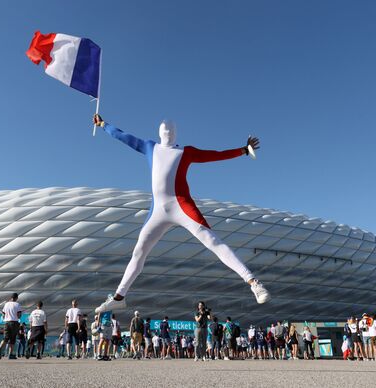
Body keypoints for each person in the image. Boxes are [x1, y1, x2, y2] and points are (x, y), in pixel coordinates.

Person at [93, 114, 270, 313]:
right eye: (165, 130)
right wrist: (103, 124)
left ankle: (253, 282)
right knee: (139, 252)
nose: (167, 132)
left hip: (181, 206)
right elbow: (123, 136)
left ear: (175, 134)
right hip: (158, 211)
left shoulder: (186, 152)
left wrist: (243, 150)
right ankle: (119, 297)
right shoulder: (150, 147)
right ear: (160, 133)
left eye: (171, 130)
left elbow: (215, 155)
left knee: (213, 241)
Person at [0, 293, 22, 360]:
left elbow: (3, 313)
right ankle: (10, 354)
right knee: (12, 339)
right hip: (14, 323)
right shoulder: (17, 304)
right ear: (16, 298)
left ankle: (0, 348)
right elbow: (19, 315)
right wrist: (18, 316)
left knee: (6, 338)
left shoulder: (6, 304)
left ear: (11, 297)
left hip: (7, 323)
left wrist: (5, 317)